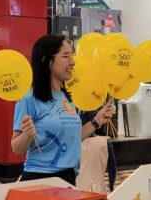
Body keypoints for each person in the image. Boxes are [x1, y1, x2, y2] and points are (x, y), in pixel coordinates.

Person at [12, 35, 114, 186]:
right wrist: (27, 134)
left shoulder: (67, 98)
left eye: (71, 55)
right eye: (66, 56)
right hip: (39, 179)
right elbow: (16, 148)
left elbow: (72, 138)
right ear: (48, 61)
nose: (72, 62)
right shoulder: (29, 98)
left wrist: (97, 120)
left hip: (68, 178)